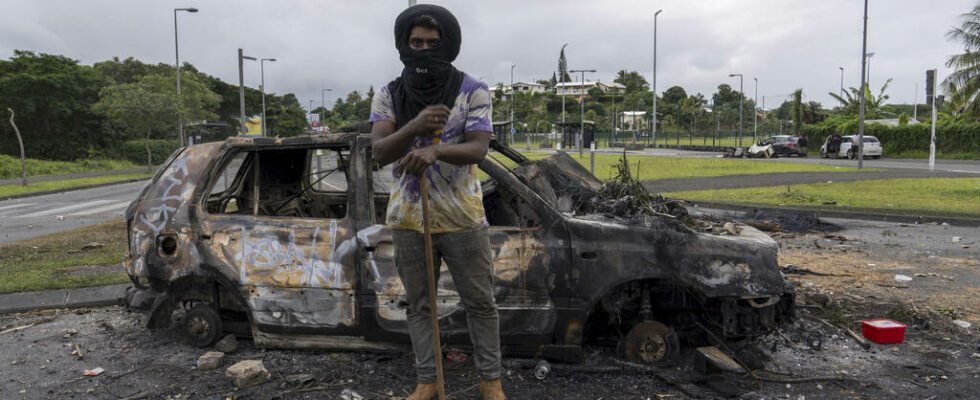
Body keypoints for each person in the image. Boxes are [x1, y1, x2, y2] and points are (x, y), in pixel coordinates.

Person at [368, 5, 505, 400]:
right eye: (417, 42)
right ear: (404, 45)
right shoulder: (389, 94)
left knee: (481, 303)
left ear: (447, 44)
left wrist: (436, 150)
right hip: (411, 220)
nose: (424, 49)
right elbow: (380, 151)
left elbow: (479, 150)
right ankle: (428, 382)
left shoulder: (472, 90)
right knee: (420, 305)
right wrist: (415, 126)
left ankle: (490, 382)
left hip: (463, 218)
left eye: (432, 42)